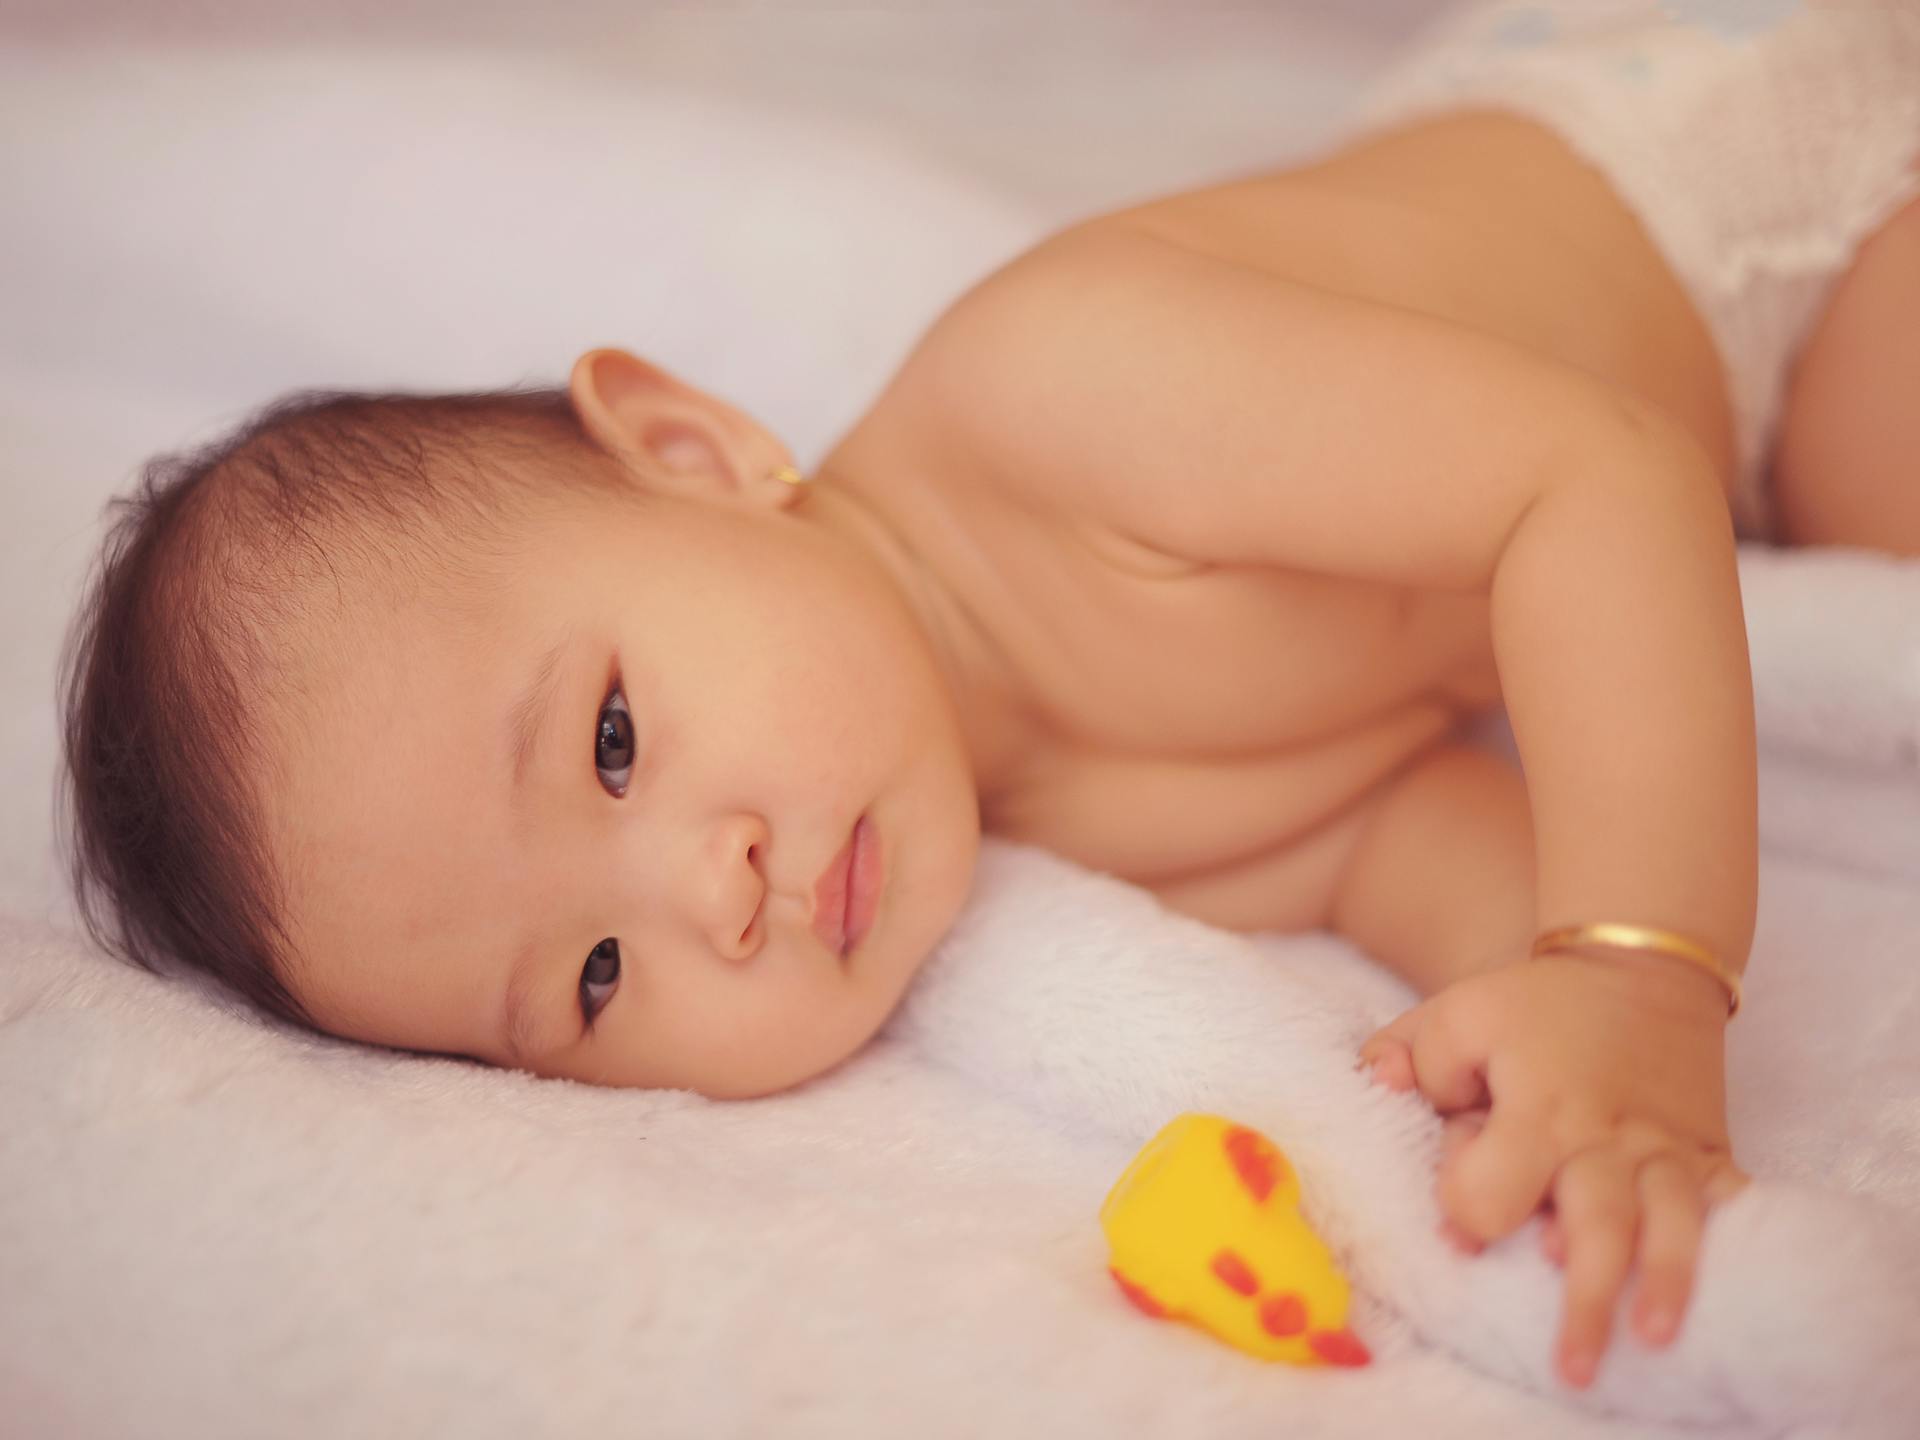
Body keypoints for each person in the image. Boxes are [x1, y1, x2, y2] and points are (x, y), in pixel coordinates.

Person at [58, 0, 1920, 1395]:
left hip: (1726, 187)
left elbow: (1594, 486)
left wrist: (1636, 969)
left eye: (615, 742)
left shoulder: (1063, 396)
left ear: (698, 449)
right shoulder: (1016, 820)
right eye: (595, 984)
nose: (708, 899)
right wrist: (1566, 1095)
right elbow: (1390, 825)